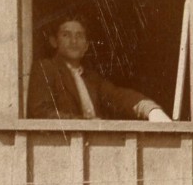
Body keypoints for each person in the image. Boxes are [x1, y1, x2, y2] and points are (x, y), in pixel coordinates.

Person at [24, 14, 174, 121]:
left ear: (86, 46)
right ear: (54, 41)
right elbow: (41, 112)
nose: (74, 40)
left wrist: (152, 110)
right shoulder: (46, 68)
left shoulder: (92, 78)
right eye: (66, 35)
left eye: (80, 35)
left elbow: (119, 97)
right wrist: (85, 123)